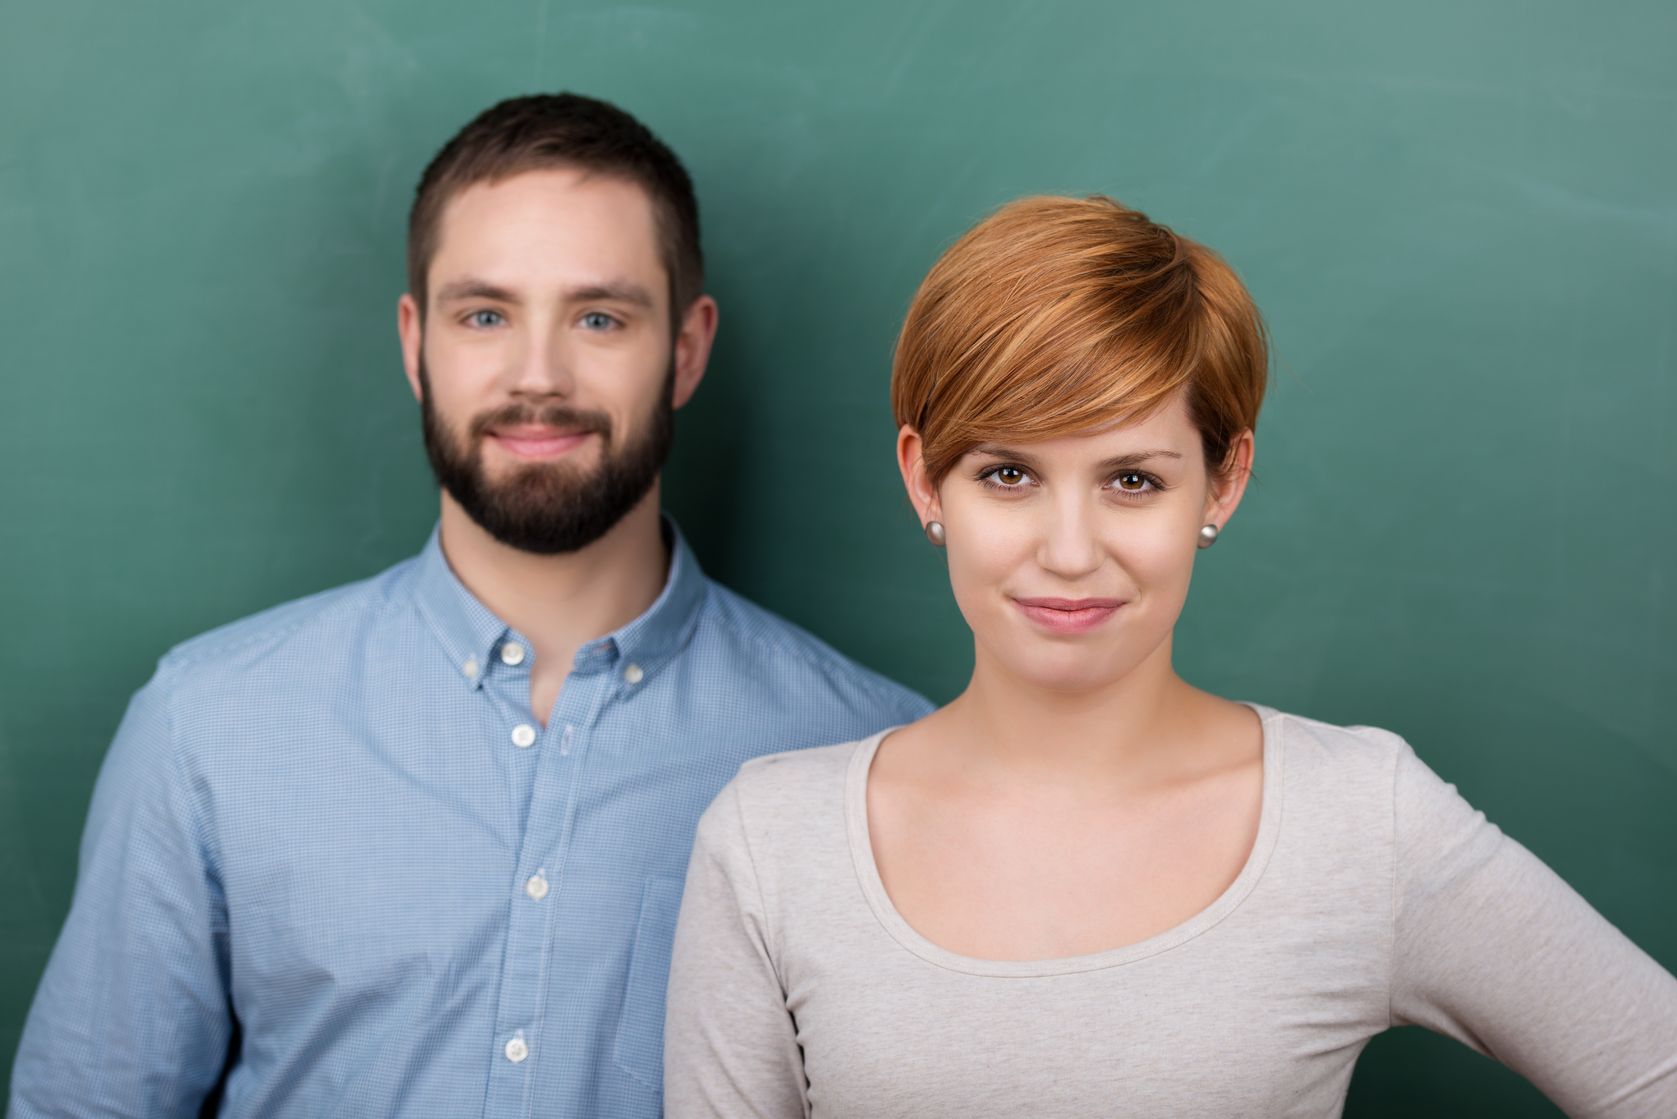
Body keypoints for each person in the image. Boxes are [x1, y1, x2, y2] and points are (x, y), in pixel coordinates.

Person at [9, 92, 929, 1118]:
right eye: (484, 314)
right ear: (416, 344)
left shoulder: (869, 759)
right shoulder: (208, 730)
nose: (538, 378)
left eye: (599, 317)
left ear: (687, 348)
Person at [663, 195, 1677, 1117]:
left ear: (1222, 483)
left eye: (1133, 481)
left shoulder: (1362, 820)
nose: (1069, 550)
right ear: (925, 482)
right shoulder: (771, 843)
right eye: (1009, 473)